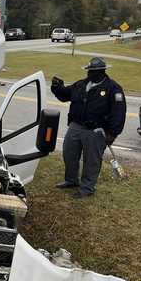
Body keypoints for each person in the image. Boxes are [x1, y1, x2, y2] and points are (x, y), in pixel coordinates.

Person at [51, 57, 126, 198]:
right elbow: (65, 95)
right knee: (69, 154)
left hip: (96, 131)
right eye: (89, 71)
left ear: (102, 71)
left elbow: (119, 113)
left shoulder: (113, 88)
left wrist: (112, 134)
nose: (90, 74)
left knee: (91, 161)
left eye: (93, 71)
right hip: (76, 126)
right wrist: (57, 87)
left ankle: (87, 188)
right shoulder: (81, 84)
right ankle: (71, 180)